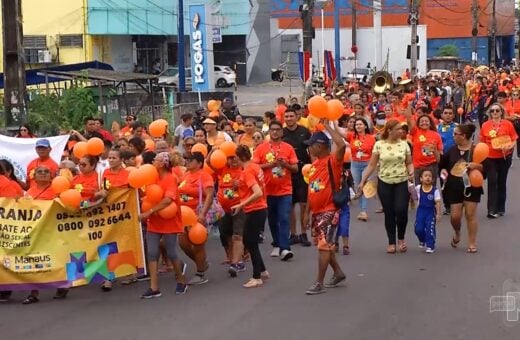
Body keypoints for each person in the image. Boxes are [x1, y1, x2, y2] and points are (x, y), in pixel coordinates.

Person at [302, 125, 347, 295]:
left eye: (311, 145)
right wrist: (307, 212)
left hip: (330, 209)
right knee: (325, 245)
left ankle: (319, 282)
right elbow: (311, 189)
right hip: (317, 212)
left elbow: (341, 145)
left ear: (319, 146)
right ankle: (338, 273)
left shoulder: (332, 161)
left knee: (323, 246)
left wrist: (329, 125)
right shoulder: (313, 166)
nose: (309, 148)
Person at [359, 119, 414, 254]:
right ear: (390, 131)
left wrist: (411, 171)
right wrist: (363, 181)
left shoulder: (405, 145)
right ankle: (391, 242)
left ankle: (401, 238)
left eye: (402, 129)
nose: (401, 131)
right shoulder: (379, 145)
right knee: (389, 213)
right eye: (398, 129)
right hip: (384, 182)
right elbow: (372, 165)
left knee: (401, 210)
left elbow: (409, 163)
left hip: (401, 181)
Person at [140, 152, 187, 298]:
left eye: (156, 160)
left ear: (162, 163)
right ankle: (154, 287)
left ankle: (181, 281)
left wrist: (150, 211)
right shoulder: (152, 177)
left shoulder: (170, 178)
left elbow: (168, 200)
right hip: (155, 221)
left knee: (171, 252)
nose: (153, 161)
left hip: (169, 220)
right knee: (152, 252)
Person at [21, 166, 69, 304]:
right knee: (34, 260)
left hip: (53, 230)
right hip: (35, 231)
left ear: (51, 175)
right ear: (34, 176)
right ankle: (34, 292)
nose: (43, 174)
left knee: (57, 257)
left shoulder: (57, 190)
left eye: (46, 171)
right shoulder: (29, 192)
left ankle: (62, 284)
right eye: (39, 172)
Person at [253, 120, 298, 261]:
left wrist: (285, 165)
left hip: (285, 190)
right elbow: (254, 168)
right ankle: (277, 244)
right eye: (272, 129)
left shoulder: (288, 148)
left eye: (278, 129)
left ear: (281, 131)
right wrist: (269, 165)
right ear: (269, 131)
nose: (275, 132)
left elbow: (296, 168)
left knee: (284, 218)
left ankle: (285, 248)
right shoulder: (261, 148)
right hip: (267, 190)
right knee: (272, 220)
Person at [439, 124, 485, 253]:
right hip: (454, 187)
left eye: (455, 134)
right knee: (455, 217)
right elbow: (442, 166)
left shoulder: (476, 149)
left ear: (463, 136)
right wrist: (443, 172)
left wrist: (476, 166)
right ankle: (457, 232)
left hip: (472, 186)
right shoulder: (451, 150)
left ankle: (472, 242)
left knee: (470, 215)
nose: (453, 136)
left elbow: (486, 168)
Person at [231, 145, 270, 288]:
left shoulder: (247, 171)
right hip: (258, 209)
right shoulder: (255, 167)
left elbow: (257, 192)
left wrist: (241, 204)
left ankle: (256, 277)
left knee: (250, 242)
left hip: (255, 209)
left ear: (239, 157)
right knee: (250, 241)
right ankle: (262, 270)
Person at [178, 152, 213, 285]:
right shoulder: (186, 175)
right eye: (187, 159)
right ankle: (202, 263)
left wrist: (202, 214)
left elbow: (209, 195)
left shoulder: (204, 176)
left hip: (196, 214)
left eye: (191, 160)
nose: (188, 162)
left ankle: (200, 273)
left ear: (199, 163)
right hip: (183, 216)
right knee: (183, 243)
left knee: (198, 244)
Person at [97, 148, 130, 291]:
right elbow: (105, 190)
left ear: (121, 160)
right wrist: (101, 193)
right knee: (109, 245)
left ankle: (128, 270)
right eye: (109, 158)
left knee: (124, 244)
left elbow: (133, 192)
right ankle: (108, 277)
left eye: (113, 158)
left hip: (125, 215)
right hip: (109, 215)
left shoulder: (128, 174)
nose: (110, 160)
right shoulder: (105, 173)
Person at [479, 104, 518, 218]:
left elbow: (514, 139)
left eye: (497, 110)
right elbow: (481, 142)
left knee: (501, 181)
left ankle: (500, 208)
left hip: (504, 157)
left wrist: (509, 146)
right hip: (490, 157)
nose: (495, 112)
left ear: (501, 112)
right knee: (492, 181)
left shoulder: (508, 124)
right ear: (490, 113)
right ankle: (491, 209)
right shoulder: (485, 125)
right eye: (492, 111)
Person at [212, 151, 245, 276]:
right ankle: (233, 258)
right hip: (224, 210)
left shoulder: (244, 170)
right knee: (225, 234)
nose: (233, 160)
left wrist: (241, 184)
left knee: (237, 236)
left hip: (240, 208)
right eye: (230, 158)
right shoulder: (223, 169)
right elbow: (210, 162)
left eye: (236, 157)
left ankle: (236, 263)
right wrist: (215, 149)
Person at [282, 108, 312, 246]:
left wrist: (314, 168)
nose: (289, 118)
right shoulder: (281, 133)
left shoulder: (305, 131)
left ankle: (303, 233)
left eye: (291, 116)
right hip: (287, 172)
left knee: (304, 204)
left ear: (296, 117)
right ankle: (293, 234)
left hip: (303, 171)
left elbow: (311, 151)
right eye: (286, 116)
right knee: (290, 205)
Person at [347, 117, 376, 221]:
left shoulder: (371, 138)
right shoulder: (351, 136)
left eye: (360, 124)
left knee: (363, 185)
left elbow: (375, 152)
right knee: (358, 186)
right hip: (355, 164)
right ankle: (362, 210)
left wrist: (375, 164)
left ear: (365, 126)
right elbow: (338, 134)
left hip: (367, 164)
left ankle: (364, 211)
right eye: (356, 125)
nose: (358, 126)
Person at [408, 114, 443, 184]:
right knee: (419, 190)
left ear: (430, 123)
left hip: (432, 166)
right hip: (418, 167)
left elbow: (440, 153)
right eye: (422, 121)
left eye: (426, 121)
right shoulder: (415, 132)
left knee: (431, 190)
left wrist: (434, 150)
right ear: (418, 123)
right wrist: (409, 104)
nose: (424, 122)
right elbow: (409, 121)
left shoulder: (436, 135)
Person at [413, 169, 442, 254]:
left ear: (432, 179)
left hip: (430, 212)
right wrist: (410, 181)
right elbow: (412, 193)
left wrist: (438, 214)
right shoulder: (418, 188)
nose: (428, 178)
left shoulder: (435, 190)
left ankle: (430, 245)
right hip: (421, 211)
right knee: (418, 229)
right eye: (425, 176)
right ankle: (422, 239)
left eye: (430, 176)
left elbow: (437, 203)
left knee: (430, 228)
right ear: (421, 179)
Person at [437, 106, 457, 214]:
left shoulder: (457, 127)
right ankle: (447, 206)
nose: (448, 115)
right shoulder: (436, 128)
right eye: (446, 113)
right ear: (442, 115)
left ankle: (456, 203)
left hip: (455, 158)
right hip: (442, 158)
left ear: (453, 115)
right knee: (444, 181)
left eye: (450, 113)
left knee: (455, 182)